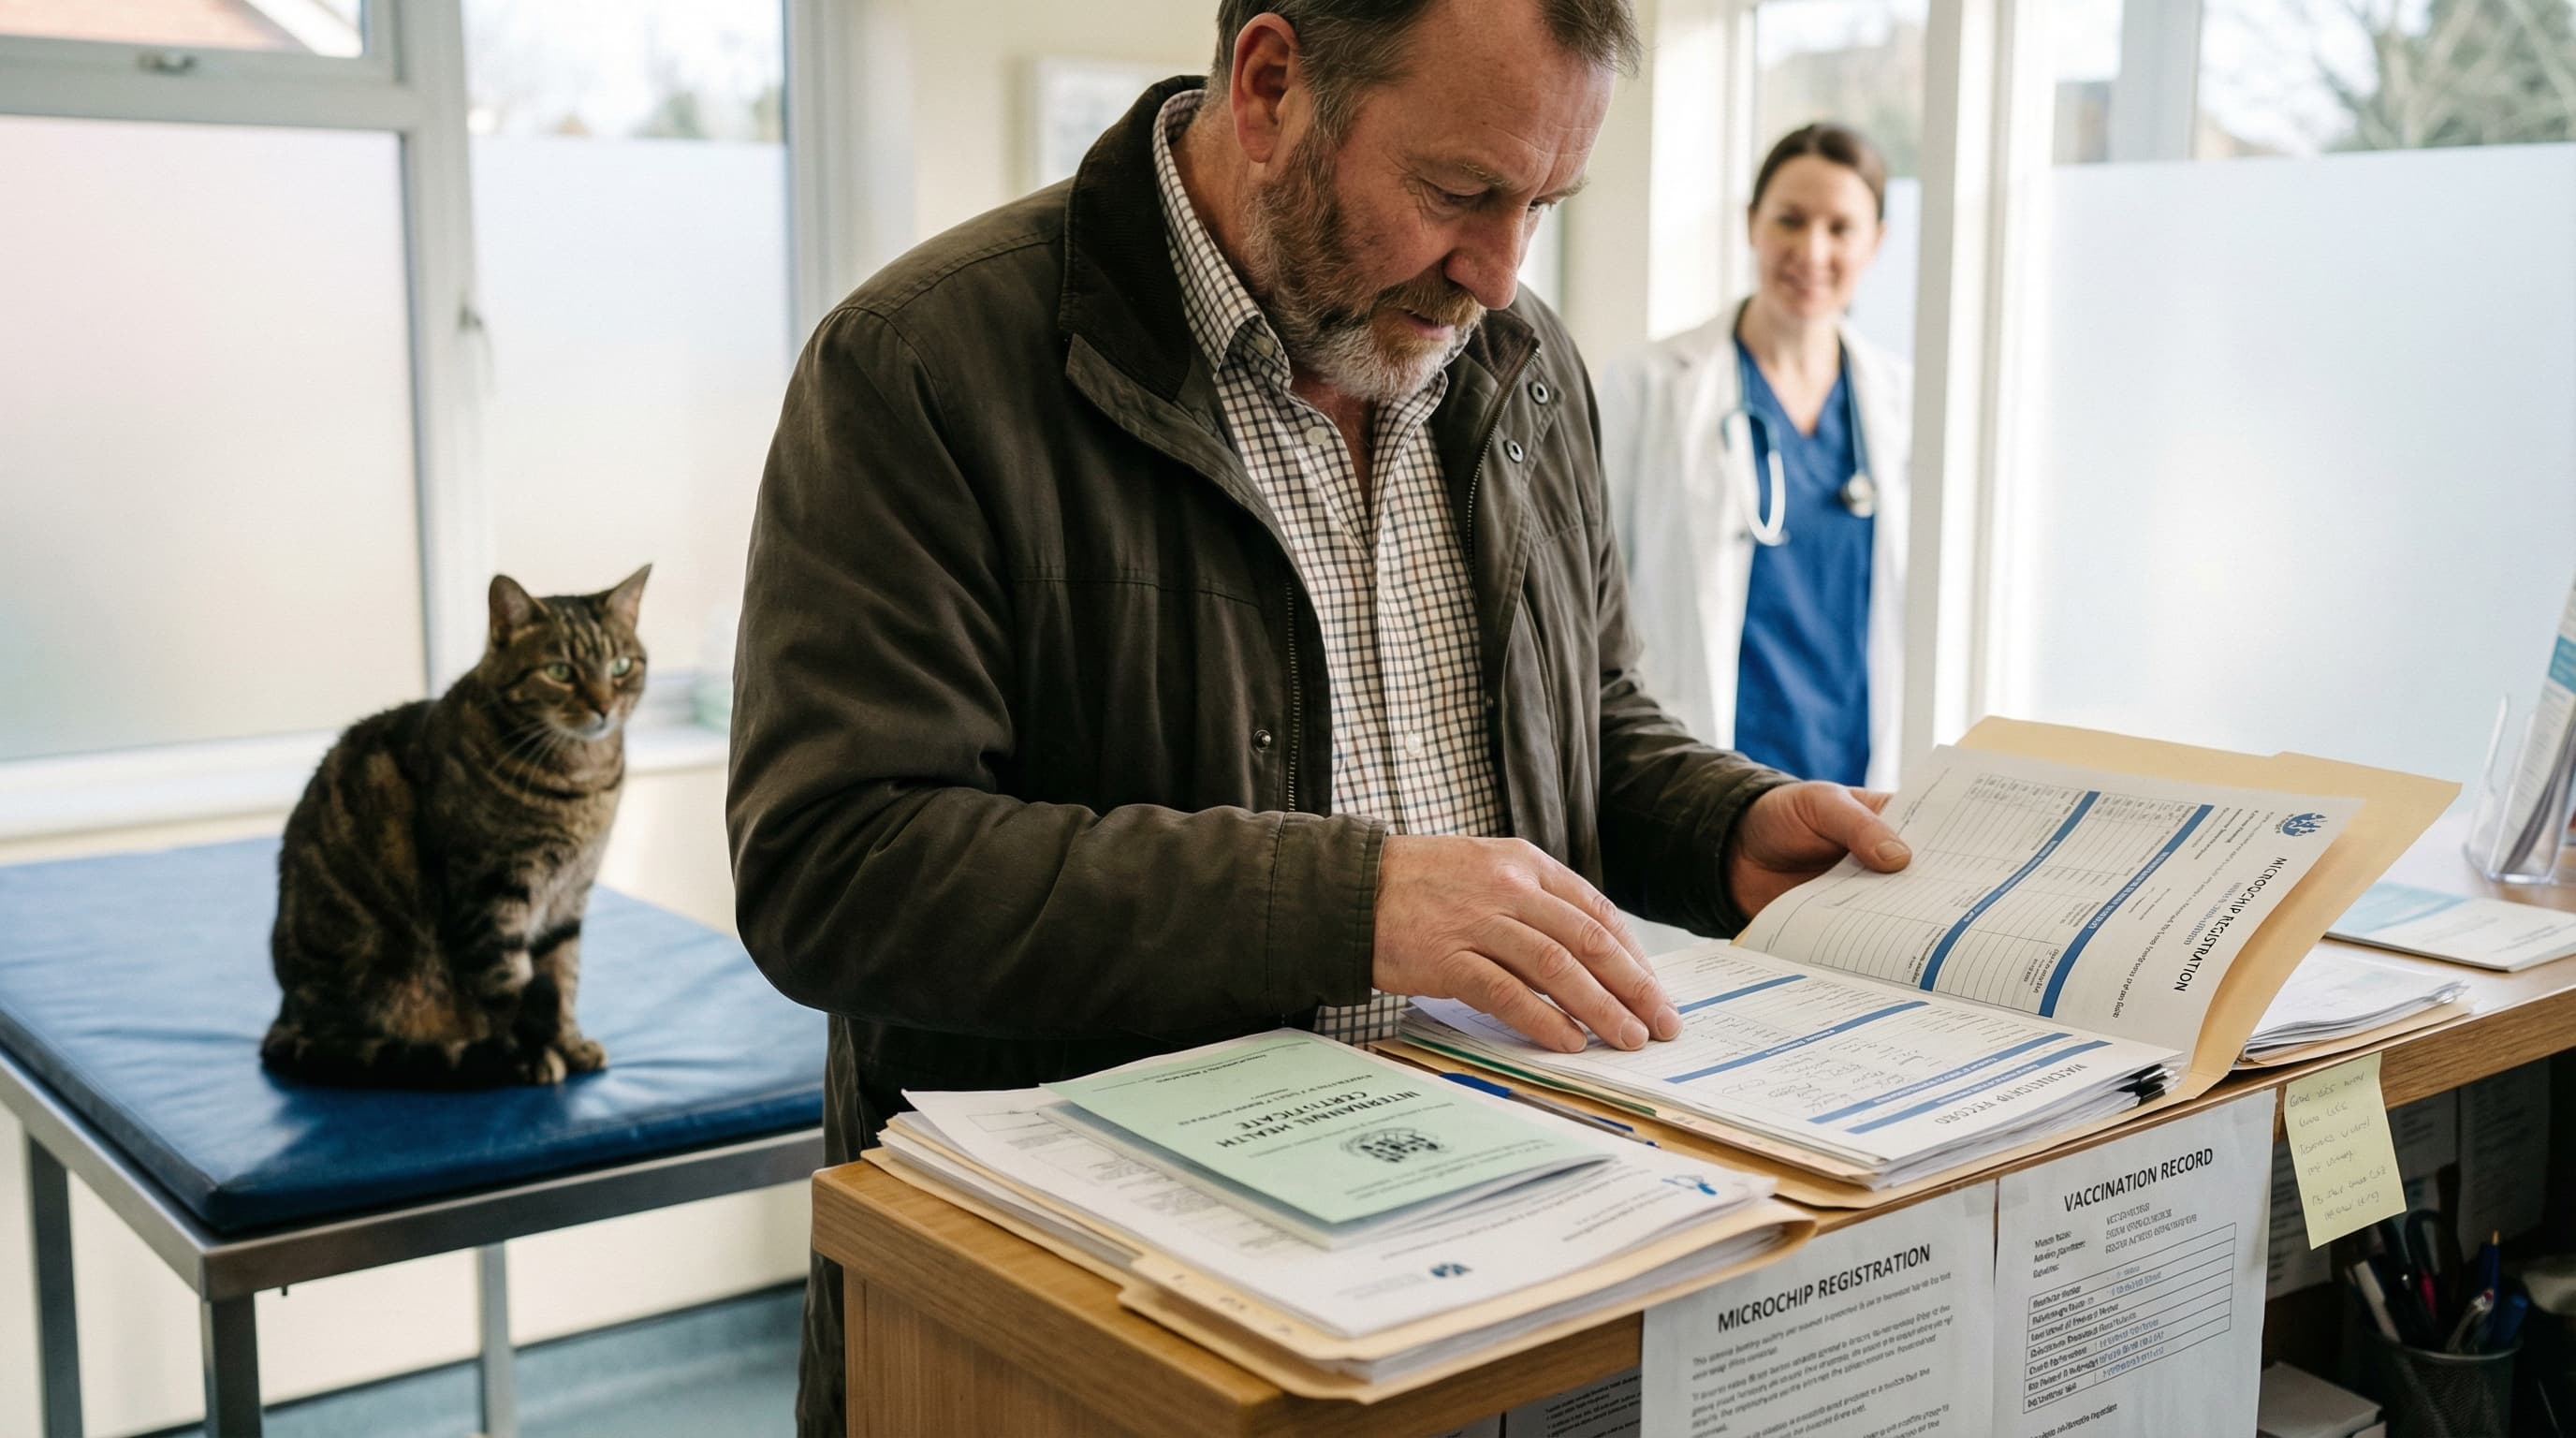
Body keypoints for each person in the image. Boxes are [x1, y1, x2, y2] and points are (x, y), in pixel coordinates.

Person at [725, 7, 1911, 1431]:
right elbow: (838, 869)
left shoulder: (1523, 366)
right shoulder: (922, 365)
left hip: (1500, 1284)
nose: (1499, 272)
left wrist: (1722, 825)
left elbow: (1577, 719)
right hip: (1106, 1339)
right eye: (1460, 193)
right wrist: (1347, 903)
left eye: (1542, 204)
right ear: (1272, 83)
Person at [1600, 123, 1911, 790]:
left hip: (1854, 766)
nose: (1811, 250)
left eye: (1840, 227)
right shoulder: (1650, 384)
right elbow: (1595, 602)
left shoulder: (1903, 405)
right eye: (1790, 221)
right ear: (1751, 224)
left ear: (1877, 242)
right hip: (1705, 772)